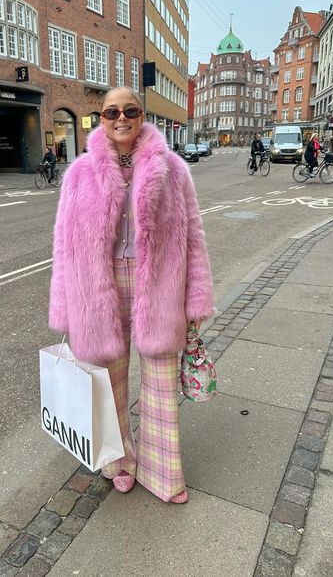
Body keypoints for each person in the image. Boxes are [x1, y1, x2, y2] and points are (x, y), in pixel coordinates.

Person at [48, 87, 214, 504]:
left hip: (157, 282)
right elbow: (63, 246)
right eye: (111, 112)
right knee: (110, 383)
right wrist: (65, 307)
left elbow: (193, 236)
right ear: (99, 119)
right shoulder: (79, 174)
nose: (121, 118)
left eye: (130, 110)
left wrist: (196, 301)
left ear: (141, 116)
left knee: (159, 380)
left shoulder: (173, 169)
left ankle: (163, 473)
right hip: (98, 287)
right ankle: (119, 462)